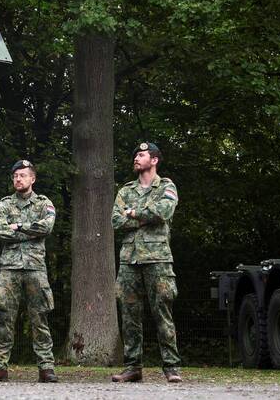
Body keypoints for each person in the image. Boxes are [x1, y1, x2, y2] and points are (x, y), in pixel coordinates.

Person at [111, 142, 182, 383]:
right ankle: (133, 367)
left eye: (141, 155)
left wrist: (132, 213)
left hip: (158, 259)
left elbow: (163, 212)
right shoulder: (125, 191)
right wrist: (143, 217)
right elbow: (116, 221)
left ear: (154, 160)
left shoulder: (167, 186)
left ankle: (171, 367)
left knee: (162, 311)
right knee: (129, 314)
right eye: (135, 155)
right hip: (129, 260)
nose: (136, 158)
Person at [0, 159, 58, 383]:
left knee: (40, 318)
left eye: (23, 175)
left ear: (32, 179)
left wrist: (18, 227)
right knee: (5, 317)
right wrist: (31, 231)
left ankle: (46, 367)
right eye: (15, 176)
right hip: (10, 269)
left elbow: (47, 227)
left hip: (35, 267)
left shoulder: (44, 203)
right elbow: (1, 232)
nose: (18, 179)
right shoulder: (5, 204)